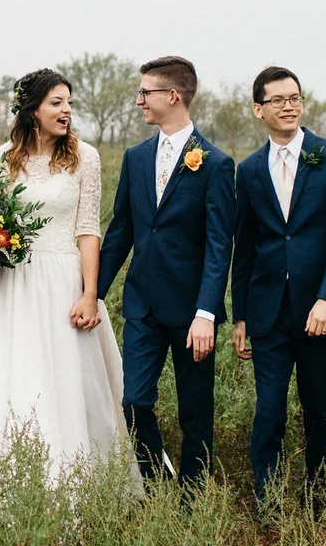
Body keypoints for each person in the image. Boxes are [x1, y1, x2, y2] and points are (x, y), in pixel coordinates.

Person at [0, 69, 138, 488]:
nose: (66, 111)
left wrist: (91, 293)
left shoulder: (84, 156)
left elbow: (88, 230)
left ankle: (72, 483)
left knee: (65, 380)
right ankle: (4, 484)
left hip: (62, 281)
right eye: (56, 103)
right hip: (11, 286)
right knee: (11, 377)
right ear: (31, 109)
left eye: (69, 103)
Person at [98, 55, 235, 492]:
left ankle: (193, 496)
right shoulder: (136, 158)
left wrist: (206, 313)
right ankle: (158, 485)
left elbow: (219, 246)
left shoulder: (214, 163)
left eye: (145, 93)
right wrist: (93, 294)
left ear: (172, 96)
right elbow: (120, 231)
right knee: (134, 401)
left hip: (193, 312)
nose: (139, 101)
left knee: (195, 410)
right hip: (142, 306)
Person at [229, 66, 326, 516]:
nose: (288, 106)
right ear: (258, 109)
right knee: (269, 410)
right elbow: (243, 245)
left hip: (322, 310)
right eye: (278, 100)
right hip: (268, 312)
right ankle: (268, 502)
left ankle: (318, 498)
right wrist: (240, 315)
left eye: (295, 98)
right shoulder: (247, 170)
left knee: (320, 408)